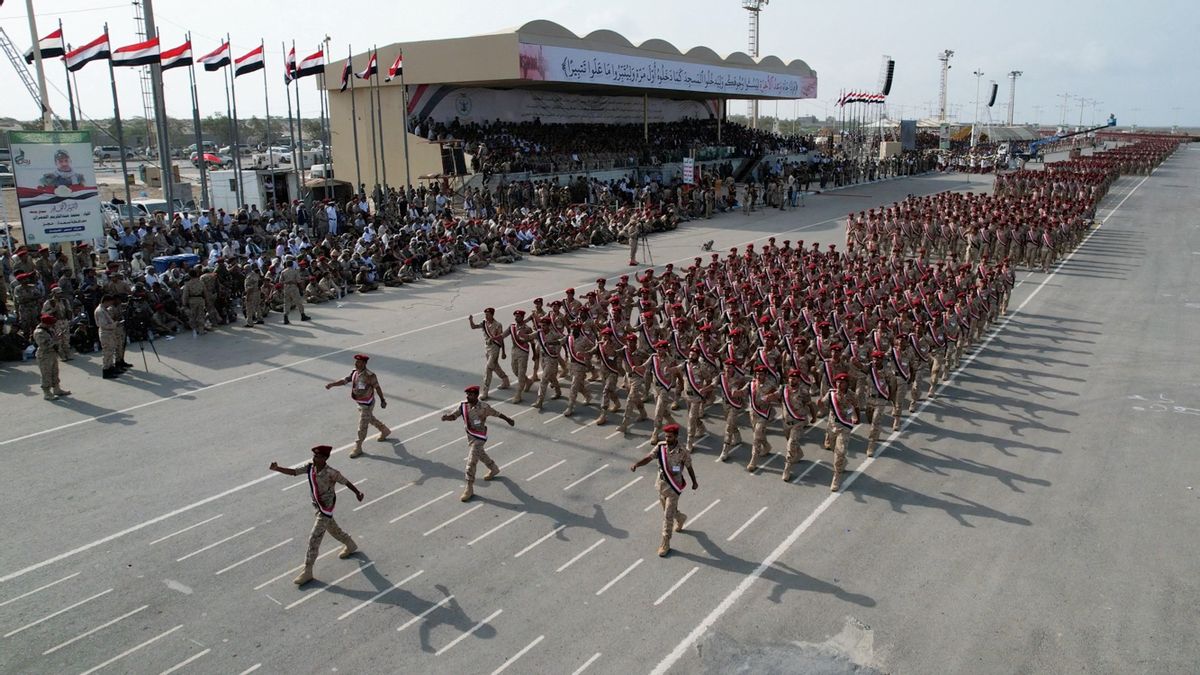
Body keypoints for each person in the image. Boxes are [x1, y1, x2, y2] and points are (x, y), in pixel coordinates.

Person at [269, 445, 363, 586]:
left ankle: (308, 571)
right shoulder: (310, 468)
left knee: (314, 538)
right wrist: (277, 468)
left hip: (325, 509)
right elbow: (294, 472)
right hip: (318, 507)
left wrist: (357, 493)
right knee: (333, 529)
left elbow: (346, 482)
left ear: (325, 458)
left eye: (318, 456)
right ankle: (350, 544)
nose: (314, 458)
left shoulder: (331, 472)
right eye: (314, 456)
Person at [629, 423, 697, 558]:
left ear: (676, 436)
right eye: (666, 436)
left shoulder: (682, 450)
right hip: (661, 484)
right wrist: (637, 464)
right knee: (667, 510)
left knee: (667, 516)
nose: (667, 438)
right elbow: (649, 457)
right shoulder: (661, 447)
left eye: (670, 436)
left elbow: (689, 466)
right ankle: (681, 517)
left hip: (674, 487)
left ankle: (665, 543)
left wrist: (694, 482)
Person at [442, 384, 515, 502]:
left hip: (479, 437)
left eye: (470, 395)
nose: (468, 397)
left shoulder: (484, 407)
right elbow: (454, 416)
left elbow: (497, 413)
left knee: (471, 461)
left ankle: (469, 487)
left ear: (476, 395)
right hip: (470, 436)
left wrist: (508, 419)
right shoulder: (463, 406)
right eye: (467, 394)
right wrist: (447, 417)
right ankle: (493, 468)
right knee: (480, 454)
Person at [325, 353, 390, 458]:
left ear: (364, 363)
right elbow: (345, 380)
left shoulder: (370, 375)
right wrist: (332, 384)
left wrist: (383, 400)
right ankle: (384, 430)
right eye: (356, 362)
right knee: (369, 418)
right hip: (360, 402)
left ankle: (358, 447)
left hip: (367, 404)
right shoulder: (355, 372)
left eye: (359, 362)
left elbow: (377, 388)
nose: (356, 364)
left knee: (362, 426)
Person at [468, 308, 510, 399]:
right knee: (494, 366)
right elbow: (473, 327)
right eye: (485, 314)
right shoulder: (484, 323)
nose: (486, 316)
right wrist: (471, 320)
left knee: (488, 369)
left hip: (495, 348)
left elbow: (500, 338)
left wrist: (503, 352)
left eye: (487, 314)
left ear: (492, 315)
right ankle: (505, 380)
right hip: (487, 348)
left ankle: (485, 392)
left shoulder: (498, 325)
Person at [32, 314, 70, 400]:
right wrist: (55, 339)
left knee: (55, 372)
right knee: (46, 374)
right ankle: (47, 393)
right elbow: (43, 345)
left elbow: (53, 339)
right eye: (51, 323)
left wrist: (58, 338)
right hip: (44, 355)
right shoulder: (39, 332)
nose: (53, 325)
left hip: (52, 354)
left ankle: (57, 389)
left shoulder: (49, 329)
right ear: (46, 323)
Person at [95, 295, 121, 379]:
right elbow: (104, 325)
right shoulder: (100, 311)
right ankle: (106, 371)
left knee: (111, 352)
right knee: (107, 353)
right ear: (106, 301)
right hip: (105, 334)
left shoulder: (104, 310)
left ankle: (110, 368)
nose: (111, 304)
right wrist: (115, 324)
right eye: (110, 302)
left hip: (109, 334)